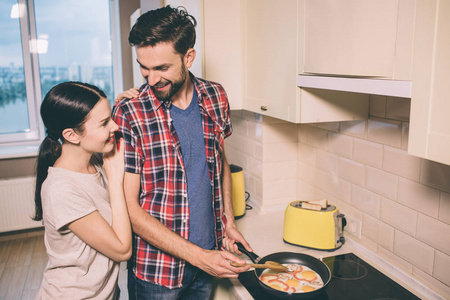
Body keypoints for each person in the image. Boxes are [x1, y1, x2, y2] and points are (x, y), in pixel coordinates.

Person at [112, 5, 253, 299]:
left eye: (162, 68)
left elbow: (220, 163)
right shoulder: (129, 112)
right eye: (144, 67)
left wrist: (228, 222)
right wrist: (200, 257)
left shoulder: (216, 96)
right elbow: (130, 210)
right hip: (157, 272)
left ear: (188, 57)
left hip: (209, 257)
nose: (151, 80)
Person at [33, 82, 132, 299]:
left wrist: (128, 103)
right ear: (71, 135)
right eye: (105, 123)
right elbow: (122, 250)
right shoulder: (61, 190)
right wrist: (115, 181)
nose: (114, 126)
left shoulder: (95, 161)